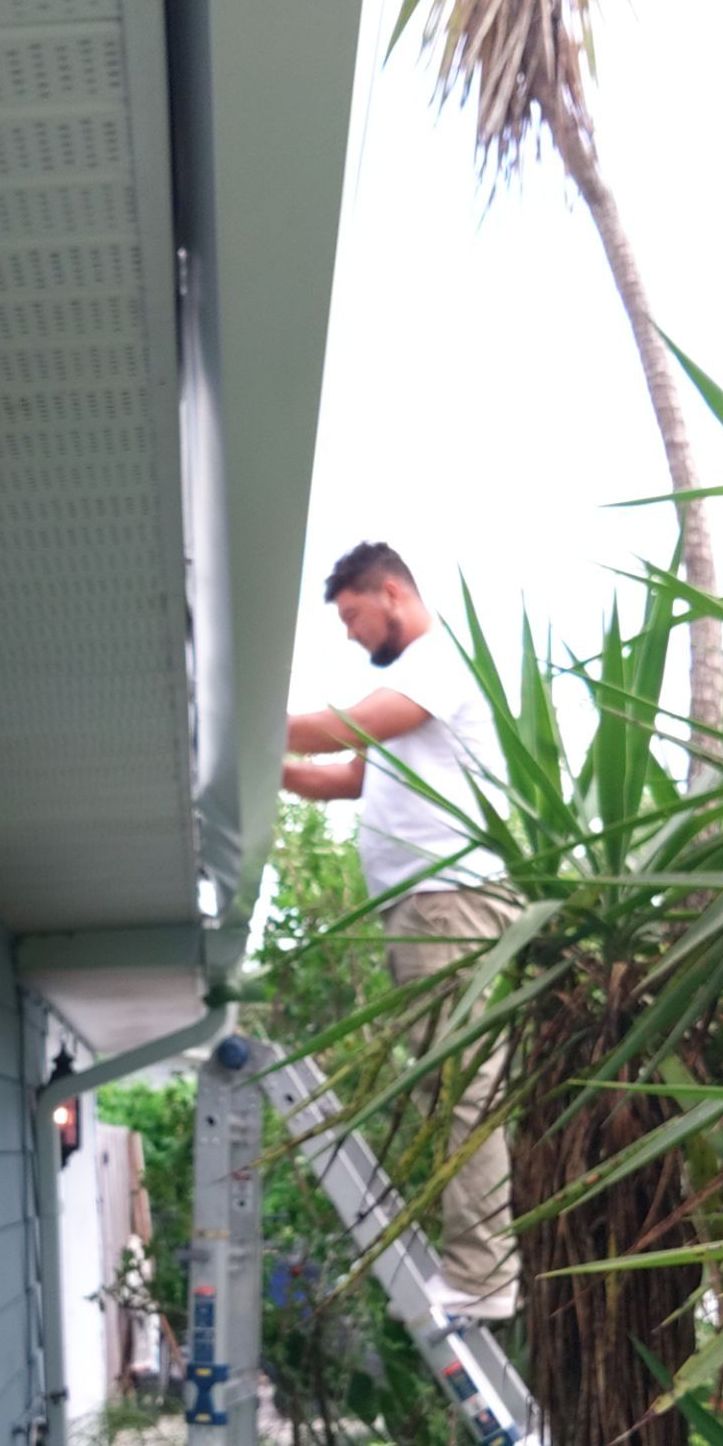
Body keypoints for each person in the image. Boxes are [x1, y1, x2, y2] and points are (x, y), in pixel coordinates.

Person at [282, 540, 520, 1321]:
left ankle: (483, 1280)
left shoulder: (435, 667)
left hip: (450, 903)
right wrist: (257, 760)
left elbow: (340, 732)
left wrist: (244, 724)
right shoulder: (413, 694)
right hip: (427, 908)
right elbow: (341, 778)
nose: (350, 634)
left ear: (391, 593)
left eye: (352, 617)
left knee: (465, 1090)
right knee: (453, 1088)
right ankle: (481, 1271)